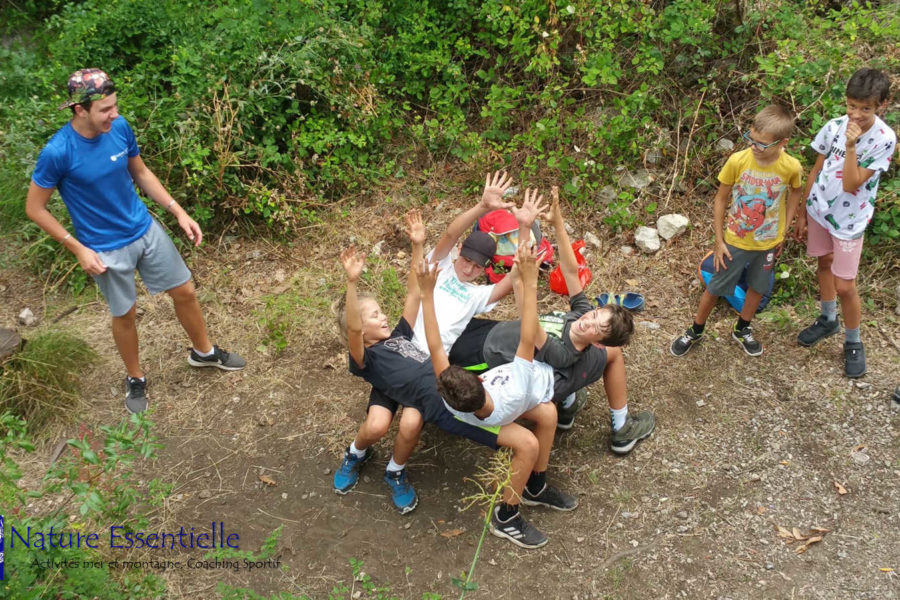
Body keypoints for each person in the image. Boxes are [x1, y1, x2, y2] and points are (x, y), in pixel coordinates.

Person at [25, 68, 245, 414]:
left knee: (185, 291)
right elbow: (34, 208)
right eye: (105, 109)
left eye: (114, 106)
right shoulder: (58, 152)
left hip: (144, 229)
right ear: (80, 110)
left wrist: (178, 211)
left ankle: (204, 353)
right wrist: (78, 248)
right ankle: (136, 377)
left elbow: (140, 172)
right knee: (125, 314)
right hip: (104, 247)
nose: (114, 114)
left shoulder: (119, 128)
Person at [448, 187, 655, 451]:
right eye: (594, 315)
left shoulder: (562, 354)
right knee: (450, 326)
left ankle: (588, 412)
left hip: (486, 353)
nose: (587, 321)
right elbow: (570, 270)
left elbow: (529, 321)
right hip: (494, 329)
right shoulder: (581, 315)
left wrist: (526, 254)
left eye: (596, 328)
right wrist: (557, 223)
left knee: (444, 352)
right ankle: (578, 407)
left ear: (598, 343)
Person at [333, 210, 503, 514]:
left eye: (380, 312)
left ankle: (395, 471)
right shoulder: (364, 356)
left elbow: (413, 292)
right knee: (376, 425)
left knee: (411, 423)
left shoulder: (400, 334)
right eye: (375, 316)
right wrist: (351, 283)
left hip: (417, 389)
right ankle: (356, 453)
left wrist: (417, 245)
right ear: (359, 329)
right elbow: (355, 331)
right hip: (388, 385)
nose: (383, 316)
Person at [418, 243, 577, 549]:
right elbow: (529, 330)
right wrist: (529, 281)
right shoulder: (515, 387)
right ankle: (506, 517)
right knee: (527, 444)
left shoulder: (448, 387)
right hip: (496, 411)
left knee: (548, 413)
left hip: (474, 410)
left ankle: (535, 487)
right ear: (482, 378)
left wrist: (426, 295)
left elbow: (436, 345)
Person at [670, 104, 803, 358]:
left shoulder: (791, 167)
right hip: (734, 242)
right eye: (751, 139)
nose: (754, 146)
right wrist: (719, 241)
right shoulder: (738, 161)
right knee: (715, 287)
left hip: (767, 244)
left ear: (782, 143)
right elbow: (721, 199)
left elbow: (796, 192)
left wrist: (784, 230)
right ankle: (696, 329)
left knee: (757, 287)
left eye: (762, 144)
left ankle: (742, 328)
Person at [794, 68, 896, 378]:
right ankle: (828, 319)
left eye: (866, 108)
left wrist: (851, 146)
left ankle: (853, 341)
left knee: (845, 285)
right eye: (852, 105)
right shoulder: (833, 126)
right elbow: (816, 170)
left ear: (882, 105)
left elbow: (852, 184)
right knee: (824, 263)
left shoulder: (884, 139)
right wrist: (803, 213)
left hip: (849, 221)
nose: (856, 114)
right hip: (820, 209)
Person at [410, 170, 543, 355]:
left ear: (485, 268)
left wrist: (525, 227)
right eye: (467, 260)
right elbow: (450, 235)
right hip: (405, 342)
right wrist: (482, 206)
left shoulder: (478, 295)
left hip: (431, 359)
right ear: (459, 250)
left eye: (477, 266)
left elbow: (520, 270)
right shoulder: (439, 268)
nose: (468, 269)